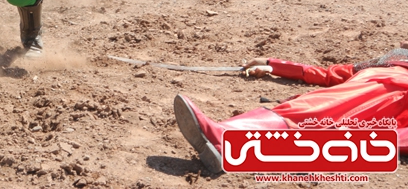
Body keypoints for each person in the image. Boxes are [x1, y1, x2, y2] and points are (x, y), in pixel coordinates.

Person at [174, 42, 408, 174]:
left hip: (389, 93)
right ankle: (237, 150)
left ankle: (227, 138)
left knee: (312, 110)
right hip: (366, 89)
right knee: (313, 109)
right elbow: (330, 74)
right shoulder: (393, 58)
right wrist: (273, 65)